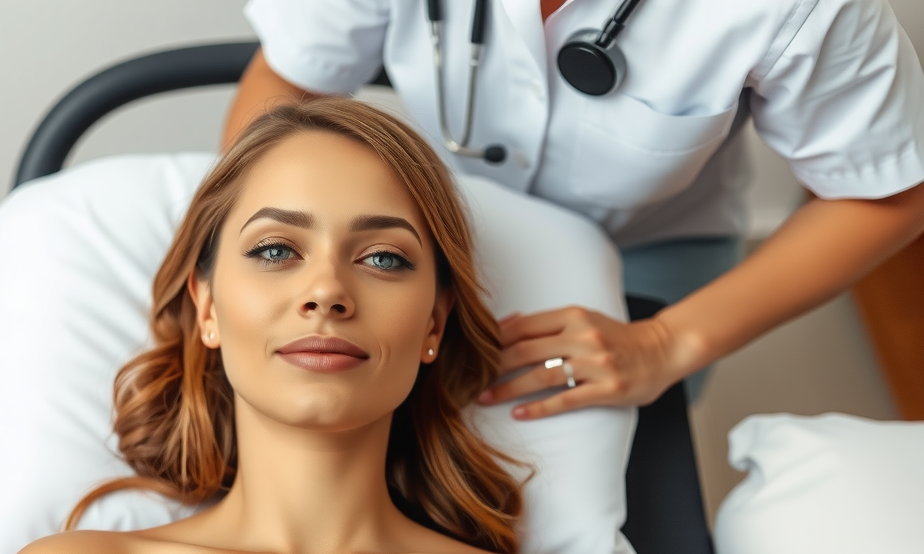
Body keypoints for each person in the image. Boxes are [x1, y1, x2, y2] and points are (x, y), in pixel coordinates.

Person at [0, 98, 654, 554]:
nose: (327, 290)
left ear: (434, 325)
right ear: (206, 308)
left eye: (384, 257)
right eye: (274, 250)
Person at [228, 0, 924, 410]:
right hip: (428, 238)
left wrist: (664, 342)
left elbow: (890, 193)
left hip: (646, 259)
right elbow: (290, 81)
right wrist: (267, 257)